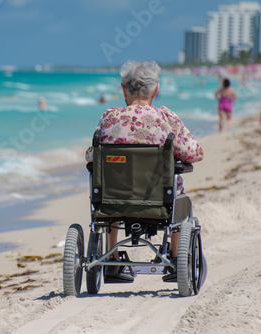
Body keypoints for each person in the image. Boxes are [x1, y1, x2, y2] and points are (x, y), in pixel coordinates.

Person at [85, 60, 204, 281]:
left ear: (123, 90)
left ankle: (113, 259)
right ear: (156, 89)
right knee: (181, 198)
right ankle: (176, 259)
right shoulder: (164, 118)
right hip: (158, 202)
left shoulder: (110, 117)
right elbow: (195, 153)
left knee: (112, 181)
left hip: (112, 202)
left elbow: (91, 156)